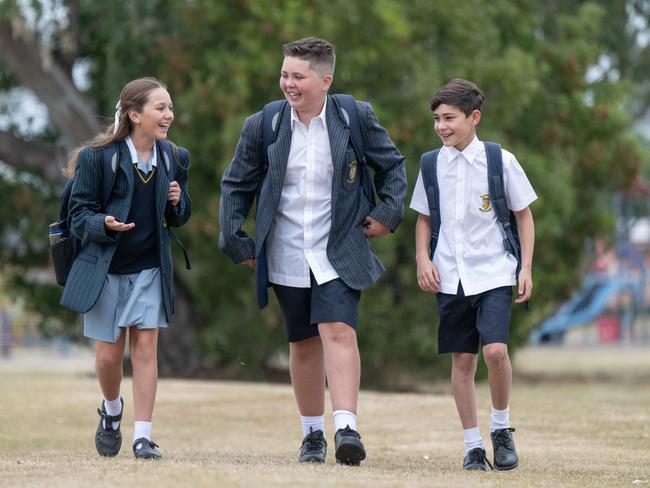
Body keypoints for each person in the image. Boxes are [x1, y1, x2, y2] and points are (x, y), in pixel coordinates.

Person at [219, 37, 407, 465]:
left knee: (339, 330)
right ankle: (312, 436)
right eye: (284, 74)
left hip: (339, 247)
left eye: (297, 76)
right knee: (303, 343)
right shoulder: (264, 123)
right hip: (285, 250)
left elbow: (393, 165)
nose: (288, 83)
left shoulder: (353, 116)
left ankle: (346, 428)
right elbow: (236, 183)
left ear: (325, 80)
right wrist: (234, 237)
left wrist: (387, 214)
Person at [60, 77, 191, 460]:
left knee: (147, 347)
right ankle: (112, 410)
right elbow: (78, 216)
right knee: (108, 357)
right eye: (160, 108)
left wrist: (177, 200)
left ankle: (143, 437)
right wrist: (105, 224)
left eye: (169, 107)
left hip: (151, 268)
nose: (169, 115)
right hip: (105, 270)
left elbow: (179, 217)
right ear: (134, 114)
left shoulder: (174, 157)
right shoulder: (96, 158)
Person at [410, 79, 536, 471]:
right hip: (450, 275)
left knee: (495, 351)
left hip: (495, 271)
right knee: (462, 361)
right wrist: (422, 259)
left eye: (449, 118)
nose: (441, 126)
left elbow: (524, 215)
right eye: (437, 119)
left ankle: (501, 428)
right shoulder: (431, 163)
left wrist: (526, 267)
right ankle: (472, 446)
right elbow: (424, 218)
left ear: (474, 117)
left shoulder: (500, 161)